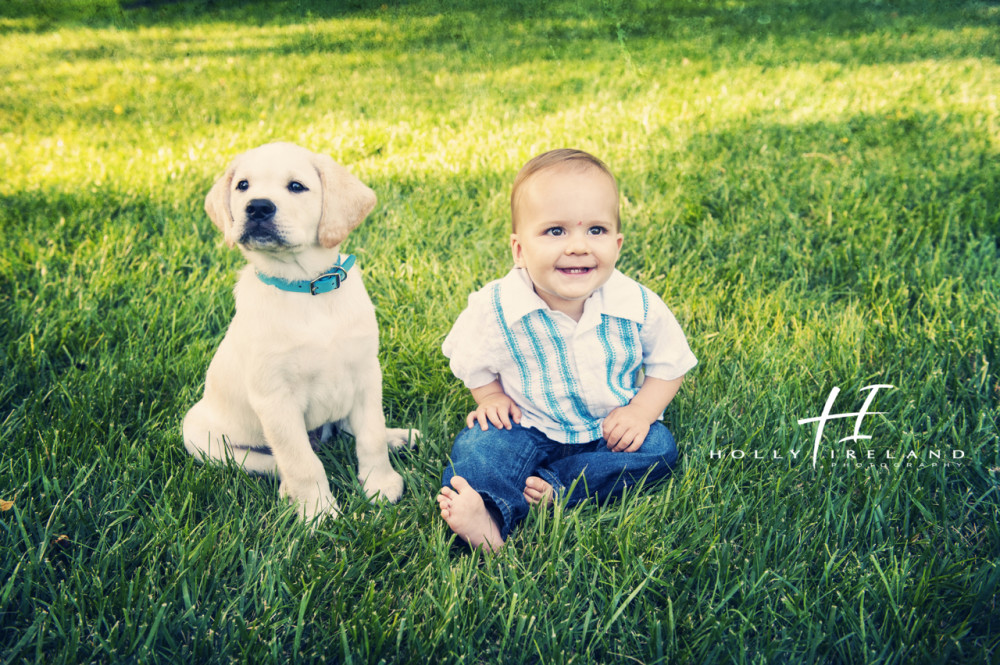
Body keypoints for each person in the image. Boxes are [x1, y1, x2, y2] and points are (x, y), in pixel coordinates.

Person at [436, 149, 697, 551]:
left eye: (596, 231)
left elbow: (671, 363)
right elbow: (471, 358)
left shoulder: (637, 305)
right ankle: (487, 517)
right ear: (519, 249)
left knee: (659, 449)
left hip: (607, 428)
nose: (578, 246)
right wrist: (489, 396)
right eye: (555, 231)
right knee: (478, 445)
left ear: (618, 243)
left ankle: (559, 486)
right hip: (528, 425)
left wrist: (640, 413)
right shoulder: (497, 307)